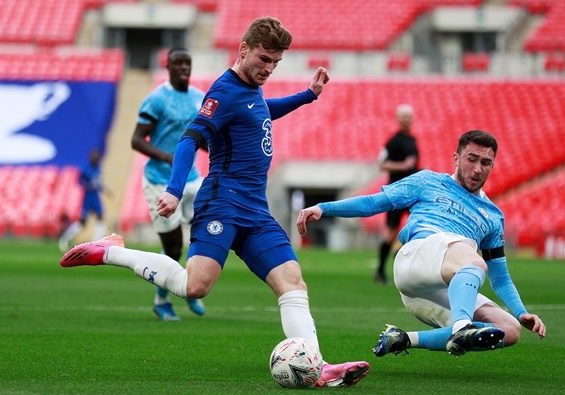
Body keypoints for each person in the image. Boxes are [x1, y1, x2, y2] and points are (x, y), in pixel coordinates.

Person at [60, 17, 370, 387]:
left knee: (293, 283)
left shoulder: (250, 90)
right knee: (196, 287)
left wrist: (308, 95)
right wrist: (175, 190)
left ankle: (316, 367)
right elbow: (189, 139)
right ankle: (111, 250)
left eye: (275, 62)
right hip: (221, 203)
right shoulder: (223, 92)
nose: (268, 68)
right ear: (243, 50)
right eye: (263, 59)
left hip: (255, 210)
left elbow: (260, 113)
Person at [297, 130, 546, 357]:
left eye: (485, 162)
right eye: (471, 159)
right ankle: (462, 326)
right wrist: (323, 207)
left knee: (508, 331)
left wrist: (521, 312)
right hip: (415, 260)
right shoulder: (427, 181)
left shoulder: (492, 215)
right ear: (456, 158)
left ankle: (404, 338)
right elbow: (374, 203)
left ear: (493, 165)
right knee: (472, 260)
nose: (477, 169)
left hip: (432, 293)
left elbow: (500, 277)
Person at [131, 48, 206, 321]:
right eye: (178, 63)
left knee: (205, 236)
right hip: (160, 181)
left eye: (188, 62)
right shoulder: (157, 100)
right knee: (173, 248)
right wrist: (167, 156)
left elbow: (204, 138)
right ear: (169, 67)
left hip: (193, 180)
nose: (184, 67)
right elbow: (136, 140)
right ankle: (162, 300)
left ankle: (192, 287)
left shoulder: (200, 98)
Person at [374, 104, 419, 285]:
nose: (406, 120)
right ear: (398, 119)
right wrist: (403, 166)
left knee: (417, 227)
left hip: (412, 193)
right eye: (403, 117)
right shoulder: (394, 140)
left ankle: (401, 258)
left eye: (409, 117)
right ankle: (380, 270)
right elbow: (382, 164)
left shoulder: (413, 139)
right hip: (397, 193)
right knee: (390, 232)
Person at [59, 148, 109, 251]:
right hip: (87, 197)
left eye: (97, 157)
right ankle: (65, 239)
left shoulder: (98, 169)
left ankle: (96, 243)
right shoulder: (85, 168)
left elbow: (98, 183)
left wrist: (105, 190)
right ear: (90, 157)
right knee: (83, 222)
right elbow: (79, 181)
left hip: (95, 196)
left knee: (100, 217)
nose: (96, 159)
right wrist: (87, 185)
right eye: (94, 157)